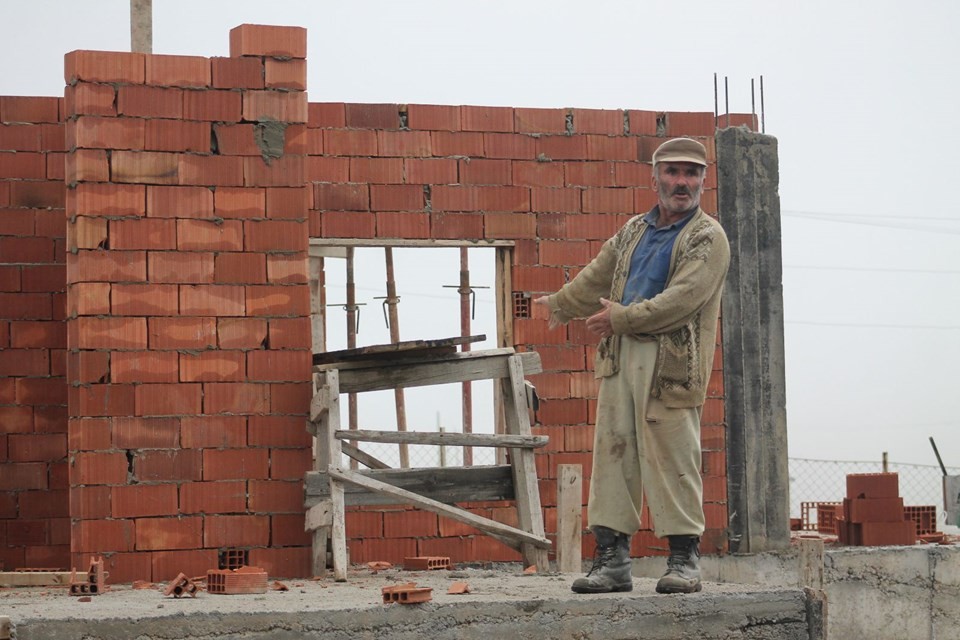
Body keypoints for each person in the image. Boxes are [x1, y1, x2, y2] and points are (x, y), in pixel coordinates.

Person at [533, 137, 730, 595]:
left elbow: (682, 300)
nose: (682, 183)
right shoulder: (633, 231)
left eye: (691, 174)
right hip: (620, 356)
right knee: (613, 456)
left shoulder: (707, 236)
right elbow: (600, 274)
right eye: (673, 172)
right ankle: (612, 561)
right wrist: (559, 304)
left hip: (672, 362)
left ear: (703, 180)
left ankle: (683, 560)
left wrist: (619, 318)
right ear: (656, 176)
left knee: (673, 458)